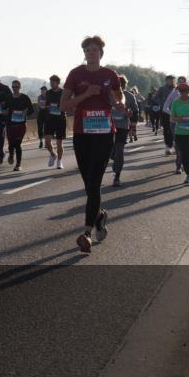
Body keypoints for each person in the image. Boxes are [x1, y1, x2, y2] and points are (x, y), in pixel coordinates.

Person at [62, 35, 125, 254]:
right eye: (88, 49)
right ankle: (99, 216)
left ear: (101, 53)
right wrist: (86, 94)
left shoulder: (109, 75)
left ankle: (87, 233)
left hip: (104, 133)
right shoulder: (75, 74)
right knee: (88, 183)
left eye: (95, 49)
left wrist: (119, 104)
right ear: (84, 53)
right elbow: (63, 106)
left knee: (95, 181)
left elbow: (120, 96)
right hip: (82, 133)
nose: (91, 53)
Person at [111, 75, 135, 187]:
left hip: (122, 127)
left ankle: (117, 177)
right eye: (118, 84)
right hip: (107, 126)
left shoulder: (129, 96)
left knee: (119, 151)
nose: (121, 86)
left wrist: (132, 115)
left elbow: (135, 109)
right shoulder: (108, 95)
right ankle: (112, 155)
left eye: (122, 84)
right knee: (110, 151)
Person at [5, 81, 34, 172]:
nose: (15, 88)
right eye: (13, 87)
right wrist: (4, 112)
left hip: (21, 125)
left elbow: (31, 110)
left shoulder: (25, 98)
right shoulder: (8, 97)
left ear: (20, 87)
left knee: (17, 144)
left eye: (16, 87)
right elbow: (5, 109)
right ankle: (11, 154)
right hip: (10, 124)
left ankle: (18, 164)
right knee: (11, 144)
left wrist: (25, 113)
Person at [43, 75, 67, 170]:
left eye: (53, 82)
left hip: (60, 119)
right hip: (50, 119)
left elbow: (66, 104)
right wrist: (48, 107)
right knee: (47, 142)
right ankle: (53, 154)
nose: (51, 84)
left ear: (57, 83)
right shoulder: (48, 93)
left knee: (59, 143)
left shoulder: (63, 92)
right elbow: (47, 104)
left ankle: (59, 161)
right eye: (50, 82)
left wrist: (60, 107)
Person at [155, 75, 177, 155]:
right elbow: (156, 98)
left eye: (173, 80)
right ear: (166, 80)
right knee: (167, 129)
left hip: (176, 112)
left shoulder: (176, 89)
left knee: (174, 129)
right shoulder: (162, 89)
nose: (172, 82)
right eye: (170, 80)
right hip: (165, 112)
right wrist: (162, 103)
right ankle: (168, 146)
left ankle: (175, 144)